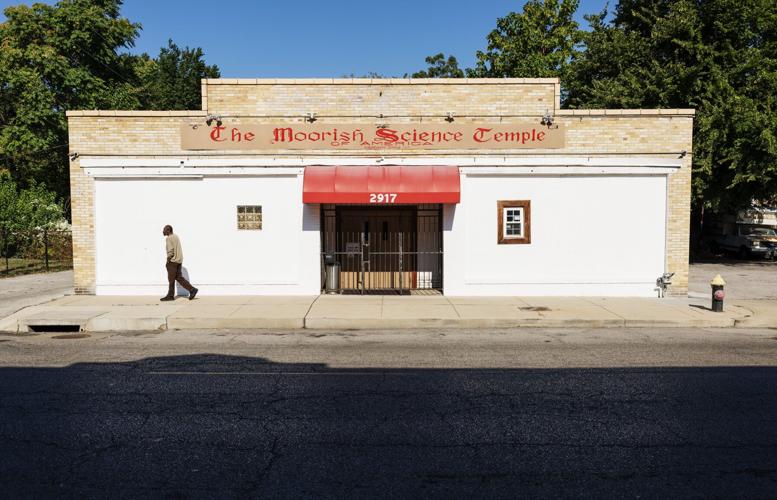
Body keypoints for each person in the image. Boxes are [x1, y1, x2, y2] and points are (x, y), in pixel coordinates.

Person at [160, 225, 198, 301]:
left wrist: (168, 260)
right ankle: (192, 289)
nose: (163, 231)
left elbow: (170, 250)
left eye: (164, 230)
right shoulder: (176, 236)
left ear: (168, 230)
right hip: (179, 261)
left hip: (172, 261)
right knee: (179, 278)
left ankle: (170, 296)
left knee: (171, 279)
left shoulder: (169, 238)